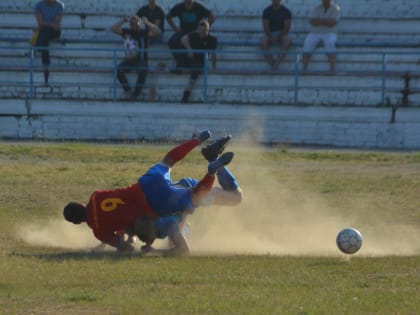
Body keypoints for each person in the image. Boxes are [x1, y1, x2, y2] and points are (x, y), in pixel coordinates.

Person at [63, 130, 235, 252]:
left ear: (77, 223)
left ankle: (212, 169)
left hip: (157, 204)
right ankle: (196, 141)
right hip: (145, 185)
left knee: (222, 197)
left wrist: (115, 242)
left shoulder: (99, 230)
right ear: (81, 203)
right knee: (167, 161)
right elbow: (116, 209)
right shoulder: (95, 196)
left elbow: (125, 245)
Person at [111, 15, 160, 100]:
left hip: (141, 60)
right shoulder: (127, 32)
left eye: (136, 23)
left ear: (139, 24)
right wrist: (123, 20)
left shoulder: (143, 32)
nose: (133, 25)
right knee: (119, 69)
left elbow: (157, 32)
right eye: (132, 23)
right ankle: (128, 91)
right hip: (129, 60)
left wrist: (147, 23)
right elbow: (113, 29)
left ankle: (135, 95)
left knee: (142, 71)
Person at [166, 0, 215, 70]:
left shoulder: (198, 7)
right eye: (186, 2)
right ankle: (180, 64)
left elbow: (212, 16)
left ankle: (192, 65)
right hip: (183, 31)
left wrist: (204, 28)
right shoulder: (179, 7)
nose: (188, 4)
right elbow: (168, 17)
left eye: (189, 3)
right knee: (172, 42)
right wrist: (175, 28)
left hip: (196, 32)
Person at [176, 20, 217, 103]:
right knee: (180, 47)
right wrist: (189, 49)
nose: (202, 32)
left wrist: (214, 68)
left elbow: (213, 55)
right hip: (190, 59)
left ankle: (187, 92)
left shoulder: (212, 39)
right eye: (200, 30)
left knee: (195, 70)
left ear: (208, 30)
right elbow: (183, 39)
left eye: (204, 30)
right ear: (198, 29)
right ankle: (179, 66)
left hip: (200, 61)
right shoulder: (194, 34)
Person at [302, 0, 341, 73]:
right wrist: (326, 21)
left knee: (330, 43)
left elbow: (332, 23)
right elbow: (312, 22)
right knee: (307, 43)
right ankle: (304, 69)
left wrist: (319, 21)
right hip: (315, 32)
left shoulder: (336, 9)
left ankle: (332, 69)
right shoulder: (316, 8)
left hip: (330, 32)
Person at [34, 0, 64, 85]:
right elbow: (41, 23)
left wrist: (45, 24)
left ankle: (36, 47)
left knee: (43, 32)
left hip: (53, 32)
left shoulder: (60, 5)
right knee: (44, 35)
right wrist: (50, 24)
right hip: (44, 32)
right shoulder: (38, 5)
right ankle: (46, 68)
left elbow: (56, 25)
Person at [261, 0, 292, 70]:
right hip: (270, 33)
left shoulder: (286, 11)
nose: (276, 1)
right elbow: (265, 27)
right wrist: (270, 35)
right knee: (263, 41)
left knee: (287, 40)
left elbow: (287, 27)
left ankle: (277, 63)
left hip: (281, 34)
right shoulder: (266, 11)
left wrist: (279, 35)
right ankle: (272, 63)